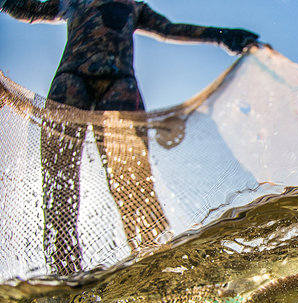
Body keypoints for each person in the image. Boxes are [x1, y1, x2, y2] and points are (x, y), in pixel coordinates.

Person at [1, 0, 259, 275]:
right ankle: (66, 284)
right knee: (60, 188)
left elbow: (169, 29)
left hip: (116, 85)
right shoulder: (78, 2)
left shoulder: (129, 6)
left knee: (132, 190)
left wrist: (223, 36)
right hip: (79, 81)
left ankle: (158, 285)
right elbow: (30, 9)